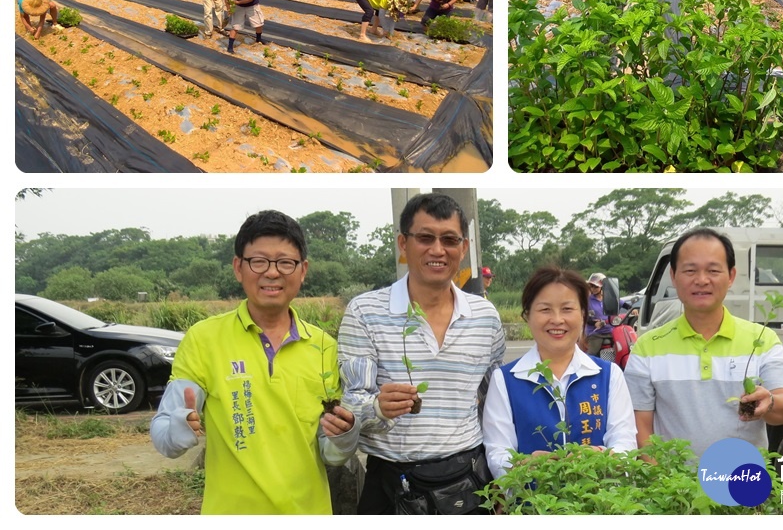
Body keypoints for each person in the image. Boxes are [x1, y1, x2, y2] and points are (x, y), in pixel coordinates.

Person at [150, 210, 358, 514]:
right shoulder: (203, 339)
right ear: (238, 267)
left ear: (303, 270)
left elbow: (330, 452)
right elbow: (164, 432)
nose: (272, 273)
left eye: (285, 262)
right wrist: (177, 431)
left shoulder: (324, 347)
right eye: (258, 261)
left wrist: (344, 436)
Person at [337, 192, 505, 515]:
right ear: (403, 244)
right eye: (425, 238)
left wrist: (500, 475)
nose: (438, 250)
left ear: (464, 248)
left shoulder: (485, 316)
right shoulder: (365, 312)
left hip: (469, 480)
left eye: (450, 240)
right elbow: (350, 404)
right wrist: (377, 406)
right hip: (391, 482)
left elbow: (494, 402)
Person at [623, 228, 783, 458]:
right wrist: (661, 484)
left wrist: (769, 402)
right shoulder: (647, 348)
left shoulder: (762, 340)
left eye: (713, 270)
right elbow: (640, 427)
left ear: (731, 276)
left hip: (741, 485)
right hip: (674, 490)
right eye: (690, 270)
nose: (701, 280)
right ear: (673, 276)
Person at [482, 266, 637, 479]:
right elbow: (497, 452)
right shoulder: (505, 380)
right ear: (527, 315)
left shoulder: (608, 375)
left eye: (567, 309)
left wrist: (603, 456)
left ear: (583, 314)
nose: (557, 319)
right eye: (545, 309)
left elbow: (625, 443)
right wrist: (523, 466)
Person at [583, 272, 612, 356]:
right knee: (592, 353)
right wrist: (595, 323)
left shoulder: (609, 298)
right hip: (596, 333)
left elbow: (621, 303)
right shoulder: (587, 300)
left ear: (602, 287)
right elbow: (585, 317)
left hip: (611, 331)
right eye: (591, 286)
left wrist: (632, 309)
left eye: (596, 286)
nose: (593, 288)